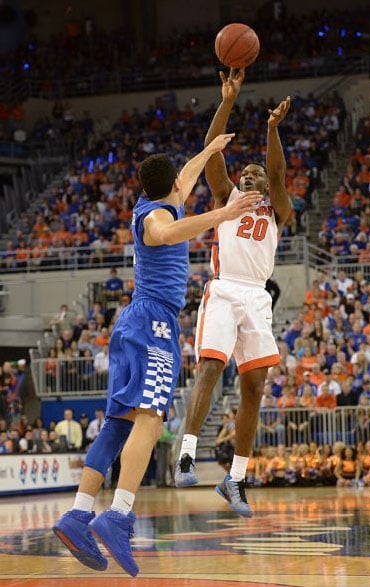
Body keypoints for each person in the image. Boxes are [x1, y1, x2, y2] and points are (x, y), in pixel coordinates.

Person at [52, 134, 260, 576]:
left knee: (116, 423)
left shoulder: (159, 200)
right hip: (154, 324)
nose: (183, 189)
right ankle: (119, 515)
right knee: (151, 417)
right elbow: (165, 231)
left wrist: (209, 150)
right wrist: (223, 213)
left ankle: (77, 512)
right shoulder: (157, 215)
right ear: (169, 190)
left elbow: (183, 180)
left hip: (134, 322)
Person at [175, 67, 291, 518]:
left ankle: (236, 478)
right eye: (245, 172)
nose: (248, 174)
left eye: (254, 173)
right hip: (224, 291)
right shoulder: (225, 195)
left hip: (258, 297)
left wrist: (271, 128)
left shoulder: (277, 207)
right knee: (210, 366)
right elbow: (212, 156)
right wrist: (227, 101)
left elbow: (279, 172)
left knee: (255, 386)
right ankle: (186, 454)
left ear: (263, 185)